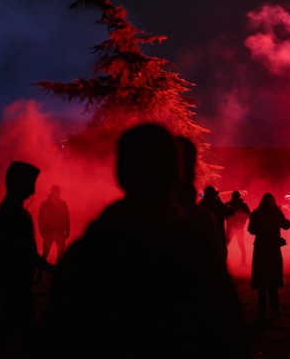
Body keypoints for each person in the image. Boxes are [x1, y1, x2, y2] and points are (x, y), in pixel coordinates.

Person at [40, 123, 248, 358]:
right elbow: (229, 335)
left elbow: (55, 338)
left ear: (121, 173)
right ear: (175, 176)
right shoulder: (194, 251)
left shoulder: (87, 252)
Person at [0, 161, 55, 358]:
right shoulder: (15, 214)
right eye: (29, 183)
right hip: (17, 284)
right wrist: (54, 270)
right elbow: (28, 254)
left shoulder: (8, 211)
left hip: (13, 283)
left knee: (10, 332)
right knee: (23, 334)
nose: (33, 189)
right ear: (18, 183)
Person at [248, 192, 290, 318]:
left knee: (262, 279)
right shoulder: (276, 212)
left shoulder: (256, 213)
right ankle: (274, 307)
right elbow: (286, 226)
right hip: (273, 247)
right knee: (272, 278)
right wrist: (286, 220)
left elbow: (251, 230)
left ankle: (262, 309)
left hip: (261, 248)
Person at [198, 184, 235, 261]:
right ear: (213, 195)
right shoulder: (216, 203)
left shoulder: (202, 203)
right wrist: (221, 202)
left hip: (203, 235)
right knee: (221, 254)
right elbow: (230, 211)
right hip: (218, 234)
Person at [37, 185, 70, 268]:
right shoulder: (46, 204)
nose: (57, 194)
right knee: (46, 253)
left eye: (57, 192)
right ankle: (41, 274)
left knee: (59, 254)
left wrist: (67, 230)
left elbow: (66, 217)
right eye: (56, 192)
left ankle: (48, 274)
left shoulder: (62, 204)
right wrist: (42, 231)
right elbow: (41, 218)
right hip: (51, 232)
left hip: (58, 232)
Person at [226, 190, 251, 266]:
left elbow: (249, 215)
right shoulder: (242, 205)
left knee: (226, 245)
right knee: (241, 245)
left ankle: (225, 262)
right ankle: (243, 262)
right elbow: (249, 215)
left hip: (233, 227)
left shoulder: (229, 204)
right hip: (235, 228)